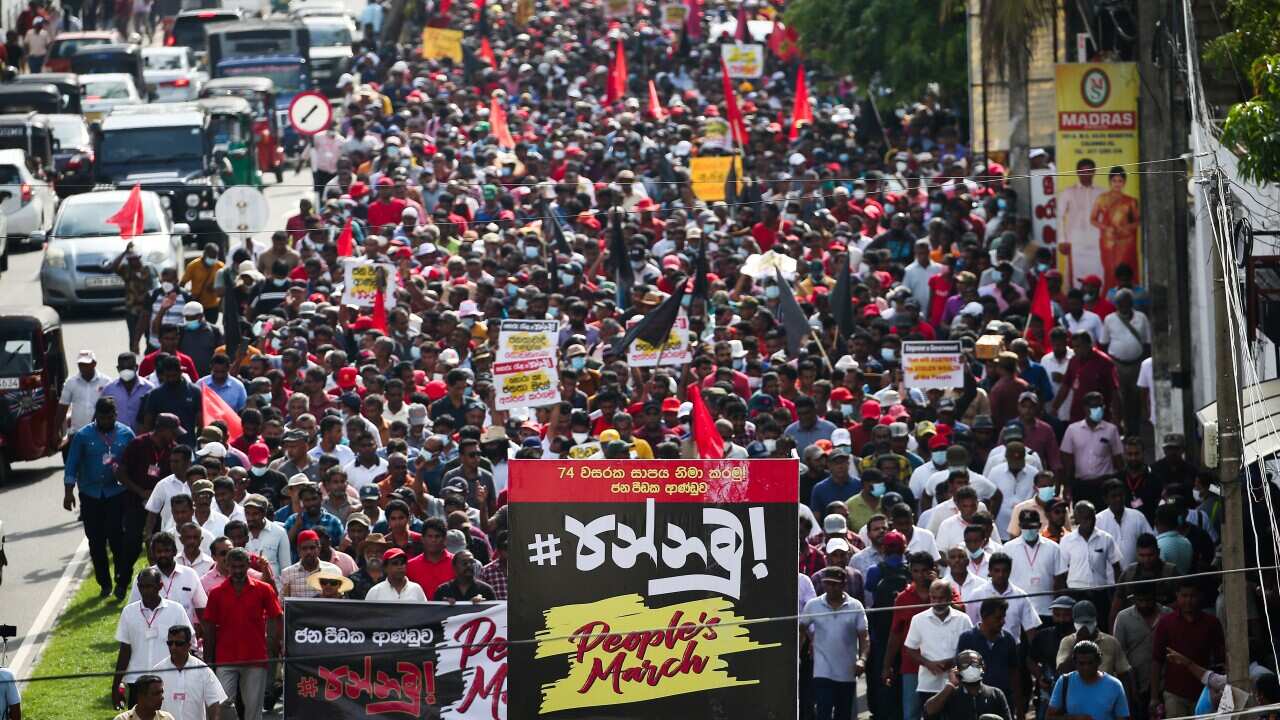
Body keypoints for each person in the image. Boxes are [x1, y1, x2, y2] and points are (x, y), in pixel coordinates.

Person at [65, 396, 136, 599]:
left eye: (109, 417)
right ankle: (104, 583)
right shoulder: (83, 436)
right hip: (91, 494)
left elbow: (132, 461)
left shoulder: (126, 433)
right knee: (96, 541)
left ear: (115, 415)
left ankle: (121, 578)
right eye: (102, 418)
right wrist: (68, 492)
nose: (105, 421)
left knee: (117, 537)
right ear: (96, 416)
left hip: (117, 493)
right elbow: (72, 464)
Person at [202, 547, 283, 720]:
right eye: (234, 567)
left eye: (241, 566)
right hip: (225, 658)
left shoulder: (264, 589)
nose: (238, 571)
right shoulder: (216, 593)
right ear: (227, 566)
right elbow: (208, 626)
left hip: (255, 658)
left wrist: (273, 645)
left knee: (254, 710)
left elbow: (277, 617)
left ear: (248, 565)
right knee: (221, 703)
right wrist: (209, 658)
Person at [113, 568, 193, 711]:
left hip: (169, 680)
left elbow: (187, 647)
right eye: (142, 586)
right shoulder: (129, 612)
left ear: (159, 586)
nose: (146, 591)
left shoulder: (176, 610)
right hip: (137, 682)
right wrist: (116, 686)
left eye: (149, 586)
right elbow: (125, 650)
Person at [1150, 580, 1226, 719]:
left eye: (1193, 596)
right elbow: (1157, 660)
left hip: (1204, 691)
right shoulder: (1166, 623)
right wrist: (1154, 698)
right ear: (1177, 596)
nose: (1188, 601)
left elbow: (1221, 658)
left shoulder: (1211, 622)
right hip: (1174, 693)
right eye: (1184, 596)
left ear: (1200, 596)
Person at [802, 565, 869, 720]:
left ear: (843, 584)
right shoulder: (813, 605)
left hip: (847, 672)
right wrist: (801, 651)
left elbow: (864, 636)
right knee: (823, 712)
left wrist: (862, 659)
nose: (830, 587)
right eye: (827, 583)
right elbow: (801, 627)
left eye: (834, 584)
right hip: (822, 671)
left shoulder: (855, 606)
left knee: (843, 714)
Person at [904, 579, 974, 710]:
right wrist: (928, 663)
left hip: (959, 684)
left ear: (950, 597)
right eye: (933, 598)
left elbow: (972, 651)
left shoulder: (963, 619)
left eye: (941, 598)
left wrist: (953, 663)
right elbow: (910, 649)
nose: (937, 602)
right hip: (928, 685)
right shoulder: (918, 620)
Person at [1111, 584, 1171, 720]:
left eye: (1148, 601)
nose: (1144, 605)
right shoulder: (1123, 617)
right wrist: (1130, 688)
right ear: (1134, 599)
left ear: (1156, 598)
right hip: (1136, 684)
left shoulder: (1168, 614)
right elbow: (1119, 654)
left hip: (1165, 682)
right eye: (1140, 601)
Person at [151, 625, 225, 720]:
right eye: (170, 643)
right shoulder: (157, 671)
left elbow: (214, 703)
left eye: (178, 643)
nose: (173, 647)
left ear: (189, 645)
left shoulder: (203, 670)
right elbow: (148, 705)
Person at [1047, 640, 1130, 720]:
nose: (1086, 668)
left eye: (1090, 663)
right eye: (1081, 663)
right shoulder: (1064, 682)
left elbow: (1122, 717)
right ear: (1075, 663)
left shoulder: (1114, 685)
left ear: (1099, 662)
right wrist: (1073, 718)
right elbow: (1049, 717)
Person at [923, 649, 1012, 720]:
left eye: (974, 664)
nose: (970, 667)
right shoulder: (950, 695)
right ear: (957, 670)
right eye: (965, 665)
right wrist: (950, 684)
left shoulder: (995, 694)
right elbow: (929, 712)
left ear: (983, 667)